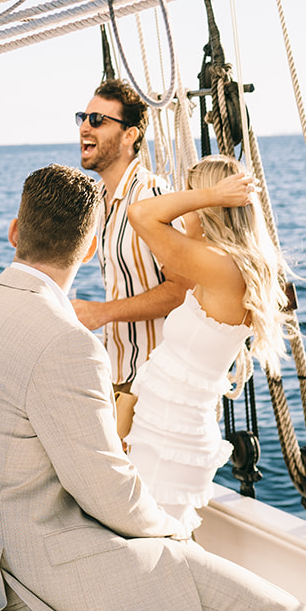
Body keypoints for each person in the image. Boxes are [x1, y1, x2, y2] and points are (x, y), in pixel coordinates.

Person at [0, 163, 306, 611]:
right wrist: (175, 534)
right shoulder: (66, 342)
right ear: (89, 250)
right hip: (45, 577)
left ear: (16, 232)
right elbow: (106, 493)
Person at [125, 156, 288, 536]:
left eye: (195, 195)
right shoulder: (223, 264)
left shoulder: (222, 267)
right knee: (157, 544)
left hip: (172, 438)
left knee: (155, 547)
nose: (188, 205)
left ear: (213, 207)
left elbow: (141, 214)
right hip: (164, 430)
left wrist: (211, 193)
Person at [70, 78, 187, 436]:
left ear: (129, 136)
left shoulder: (151, 196)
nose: (85, 127)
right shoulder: (101, 202)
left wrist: (100, 313)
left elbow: (182, 290)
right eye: (84, 117)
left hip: (157, 386)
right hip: (121, 379)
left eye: (98, 120)